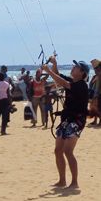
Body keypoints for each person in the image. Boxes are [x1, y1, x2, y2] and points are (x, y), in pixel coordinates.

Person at [41, 56, 89, 190]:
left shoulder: (81, 85)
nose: (73, 68)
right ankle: (62, 181)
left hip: (77, 120)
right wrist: (54, 64)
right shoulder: (72, 81)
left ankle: (74, 182)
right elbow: (58, 76)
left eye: (76, 67)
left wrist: (48, 71)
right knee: (58, 151)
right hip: (66, 119)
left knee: (68, 151)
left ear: (82, 73)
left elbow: (61, 82)